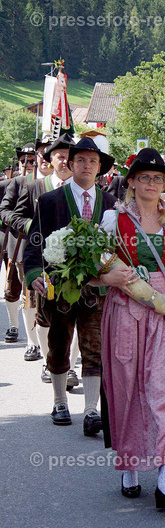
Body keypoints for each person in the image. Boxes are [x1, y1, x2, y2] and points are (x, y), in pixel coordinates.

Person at [100, 148, 165, 507]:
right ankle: (130, 465)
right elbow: (94, 274)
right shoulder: (113, 220)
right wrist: (108, 278)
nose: (151, 183)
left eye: (158, 178)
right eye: (144, 177)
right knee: (129, 387)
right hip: (126, 309)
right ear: (131, 181)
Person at [24, 138, 118, 435]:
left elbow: (119, 247)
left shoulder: (111, 204)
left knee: (94, 348)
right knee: (59, 344)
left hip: (98, 289)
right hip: (62, 288)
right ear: (71, 164)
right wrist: (34, 272)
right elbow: (35, 241)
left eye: (92, 161)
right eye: (81, 160)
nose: (87, 165)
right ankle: (59, 401)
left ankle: (91, 410)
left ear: (100, 167)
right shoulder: (51, 200)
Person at [8, 135, 73, 375]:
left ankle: (70, 366)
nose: (65, 162)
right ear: (50, 160)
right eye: (60, 157)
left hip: (75, 263)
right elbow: (12, 214)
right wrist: (32, 227)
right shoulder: (34, 186)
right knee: (40, 310)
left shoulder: (83, 188)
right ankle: (44, 355)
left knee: (73, 316)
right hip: (39, 259)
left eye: (69, 157)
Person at [1, 142, 36, 344]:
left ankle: (35, 339)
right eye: (24, 160)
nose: (28, 164)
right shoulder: (12, 184)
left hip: (41, 246)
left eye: (32, 160)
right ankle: (14, 326)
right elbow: (4, 211)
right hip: (17, 244)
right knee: (12, 290)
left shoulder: (46, 184)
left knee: (32, 295)